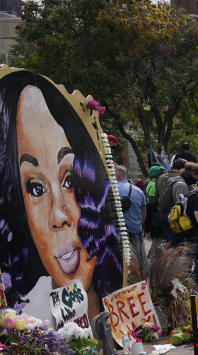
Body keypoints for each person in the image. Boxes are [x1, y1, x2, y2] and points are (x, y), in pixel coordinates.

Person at [0, 70, 123, 321]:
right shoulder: (24, 323)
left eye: (69, 180)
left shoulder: (119, 303)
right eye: (36, 189)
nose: (58, 215)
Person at [114, 164, 146, 267]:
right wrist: (140, 224)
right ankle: (140, 276)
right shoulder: (138, 191)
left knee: (122, 259)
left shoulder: (111, 191)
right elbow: (144, 209)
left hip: (118, 231)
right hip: (136, 228)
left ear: (117, 176)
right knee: (138, 256)